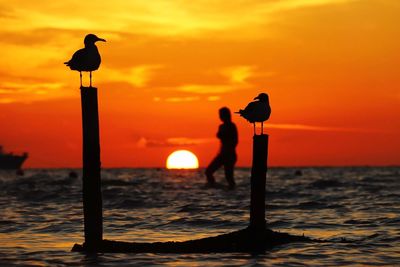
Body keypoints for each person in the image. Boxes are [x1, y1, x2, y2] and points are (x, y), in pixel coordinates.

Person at [205, 107, 238, 189]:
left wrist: (229, 150)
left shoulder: (232, 126)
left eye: (221, 115)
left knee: (229, 176)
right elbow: (219, 135)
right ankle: (213, 186)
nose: (220, 117)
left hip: (230, 155)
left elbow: (235, 141)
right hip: (222, 154)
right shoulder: (221, 126)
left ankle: (232, 190)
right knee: (208, 172)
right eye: (219, 115)